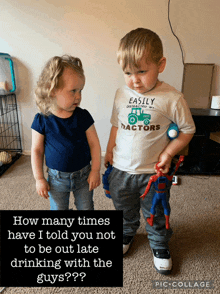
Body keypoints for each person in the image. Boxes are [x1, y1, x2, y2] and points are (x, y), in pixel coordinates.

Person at [104, 28, 195, 275]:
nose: (134, 79)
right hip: (121, 169)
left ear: (161, 64)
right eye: (128, 73)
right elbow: (116, 124)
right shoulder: (121, 94)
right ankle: (125, 233)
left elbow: (188, 129)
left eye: (142, 71)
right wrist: (109, 149)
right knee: (122, 206)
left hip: (152, 173)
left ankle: (159, 243)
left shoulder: (172, 98)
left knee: (154, 210)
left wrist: (168, 153)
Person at [31, 55, 101, 210]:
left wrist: (95, 170)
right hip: (56, 179)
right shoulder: (42, 119)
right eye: (73, 91)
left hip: (83, 176)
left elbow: (94, 144)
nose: (78, 96)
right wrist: (39, 178)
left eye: (80, 90)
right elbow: (36, 150)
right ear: (53, 90)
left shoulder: (83, 116)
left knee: (87, 208)